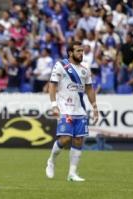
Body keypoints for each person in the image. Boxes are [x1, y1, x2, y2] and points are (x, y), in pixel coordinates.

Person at [45, 41, 99, 182]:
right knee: (65, 138)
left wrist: (94, 106)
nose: (81, 53)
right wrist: (53, 104)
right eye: (78, 51)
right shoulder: (61, 65)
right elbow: (52, 85)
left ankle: (72, 174)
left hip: (80, 110)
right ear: (70, 52)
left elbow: (89, 89)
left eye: (82, 51)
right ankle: (51, 161)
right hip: (65, 109)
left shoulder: (85, 69)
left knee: (78, 140)